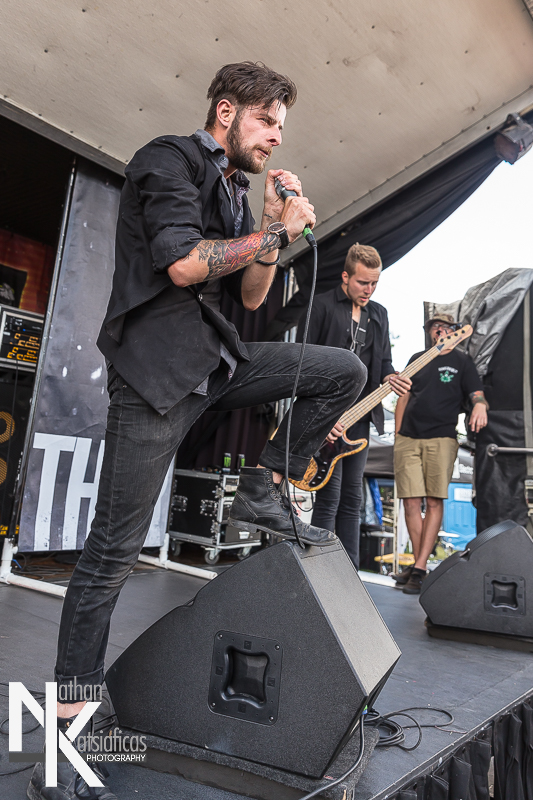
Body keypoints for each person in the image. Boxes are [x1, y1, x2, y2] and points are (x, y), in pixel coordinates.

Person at [28, 62, 367, 800]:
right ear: (226, 111)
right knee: (112, 552)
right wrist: (270, 230)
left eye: (281, 127)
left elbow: (252, 294)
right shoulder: (167, 159)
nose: (276, 139)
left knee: (341, 370)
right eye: (267, 121)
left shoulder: (235, 190)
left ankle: (265, 483)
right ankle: (66, 733)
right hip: (155, 375)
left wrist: (270, 229)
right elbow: (184, 265)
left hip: (216, 363)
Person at [300, 244, 411, 570]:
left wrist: (392, 377)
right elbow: (303, 363)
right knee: (329, 495)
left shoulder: (379, 314)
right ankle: (317, 569)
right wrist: (319, 416)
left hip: (361, 416)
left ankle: (348, 571)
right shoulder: (321, 305)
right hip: (327, 415)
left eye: (375, 283)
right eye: (363, 282)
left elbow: (385, 361)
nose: (369, 289)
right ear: (346, 276)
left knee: (353, 497)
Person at [392, 313, 488, 594]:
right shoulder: (417, 358)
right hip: (408, 438)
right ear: (430, 332)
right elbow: (403, 395)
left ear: (455, 332)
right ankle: (419, 565)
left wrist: (480, 405)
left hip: (442, 439)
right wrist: (397, 435)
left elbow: (476, 393)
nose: (440, 331)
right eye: (435, 327)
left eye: (446, 327)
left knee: (434, 501)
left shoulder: (462, 361)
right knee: (410, 502)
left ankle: (419, 567)